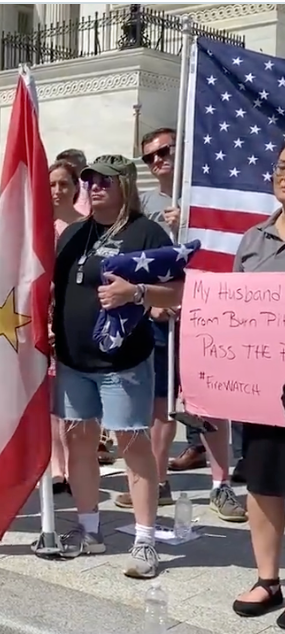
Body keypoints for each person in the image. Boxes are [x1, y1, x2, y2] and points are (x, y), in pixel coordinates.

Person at [53, 155, 184, 579]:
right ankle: (89, 529)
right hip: (74, 360)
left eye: (105, 180)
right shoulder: (74, 233)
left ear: (125, 184)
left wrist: (137, 292)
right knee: (78, 443)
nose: (94, 186)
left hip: (123, 361)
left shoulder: (145, 231)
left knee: (132, 445)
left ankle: (145, 539)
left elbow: (179, 288)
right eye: (89, 178)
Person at [117, 128, 246, 522]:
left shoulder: (207, 195)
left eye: (164, 151)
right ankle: (157, 482)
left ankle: (220, 485)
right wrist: (154, 301)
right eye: (149, 157)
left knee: (210, 404)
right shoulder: (148, 205)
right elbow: (142, 260)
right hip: (159, 318)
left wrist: (192, 222)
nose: (158, 161)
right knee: (159, 407)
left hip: (204, 313)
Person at [231, 147, 285, 622]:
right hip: (263, 388)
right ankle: (269, 580)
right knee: (264, 482)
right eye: (283, 168)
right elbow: (231, 313)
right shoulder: (252, 239)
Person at [47, 160, 88, 493]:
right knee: (51, 399)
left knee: (75, 398)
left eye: (64, 184)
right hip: (46, 317)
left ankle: (79, 465)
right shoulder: (40, 228)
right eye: (52, 184)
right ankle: (57, 467)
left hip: (77, 320)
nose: (58, 191)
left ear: (76, 188)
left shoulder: (88, 227)